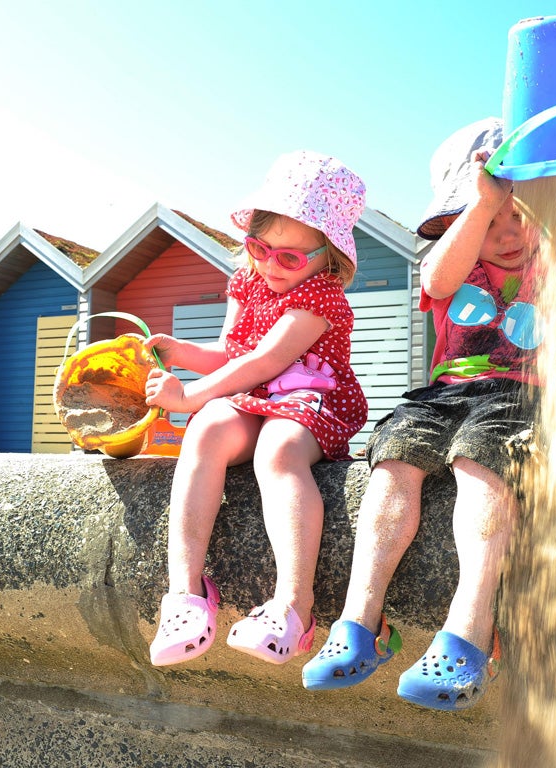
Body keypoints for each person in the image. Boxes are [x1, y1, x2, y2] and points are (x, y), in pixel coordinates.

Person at [302, 117, 556, 710]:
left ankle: (468, 628)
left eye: (521, 212)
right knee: (393, 462)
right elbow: (436, 276)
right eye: (489, 215)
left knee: (481, 463)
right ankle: (359, 623)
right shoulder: (459, 265)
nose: (506, 229)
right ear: (457, 219)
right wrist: (484, 202)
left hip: (524, 394)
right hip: (442, 395)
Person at [143, 150, 369, 667]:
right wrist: (184, 355)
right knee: (204, 432)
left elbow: (269, 359)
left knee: (279, 450)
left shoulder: (322, 298)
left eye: (289, 258)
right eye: (260, 247)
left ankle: (295, 605)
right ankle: (186, 594)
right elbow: (233, 354)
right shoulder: (247, 282)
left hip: (310, 399)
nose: (270, 264)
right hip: (255, 396)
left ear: (327, 257)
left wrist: (189, 395)